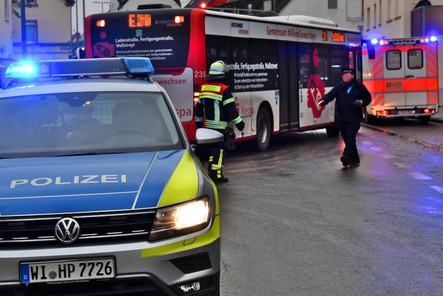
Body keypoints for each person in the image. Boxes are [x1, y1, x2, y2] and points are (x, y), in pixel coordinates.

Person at [195, 60, 245, 183]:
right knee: (220, 151)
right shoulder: (224, 90)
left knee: (212, 150)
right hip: (221, 127)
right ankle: (216, 175)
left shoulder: (204, 88)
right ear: (222, 74)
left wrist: (199, 125)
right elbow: (231, 110)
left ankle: (211, 171)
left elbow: (199, 109)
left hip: (208, 127)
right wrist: (239, 123)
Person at [318, 67, 371, 167]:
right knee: (346, 138)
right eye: (343, 75)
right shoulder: (340, 87)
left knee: (351, 137)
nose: (345, 77)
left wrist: (362, 102)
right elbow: (331, 95)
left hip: (354, 118)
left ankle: (346, 157)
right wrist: (323, 101)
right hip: (342, 118)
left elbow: (368, 98)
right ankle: (354, 159)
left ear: (352, 76)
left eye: (347, 75)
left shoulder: (359, 87)